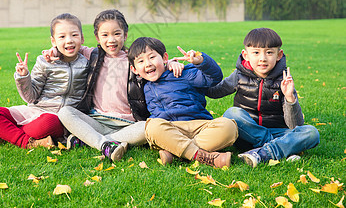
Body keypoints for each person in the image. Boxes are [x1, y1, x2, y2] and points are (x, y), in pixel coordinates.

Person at [44, 9, 183, 161]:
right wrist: (54, 52)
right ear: (97, 37)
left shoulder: (135, 59)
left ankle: (89, 140)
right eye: (105, 35)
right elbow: (69, 49)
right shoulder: (92, 54)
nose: (111, 40)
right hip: (97, 119)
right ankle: (104, 144)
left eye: (117, 34)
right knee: (65, 112)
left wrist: (169, 63)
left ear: (125, 35)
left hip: (128, 124)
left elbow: (153, 63)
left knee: (149, 127)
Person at [207, 28, 320, 167]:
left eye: (269, 52)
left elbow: (295, 125)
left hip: (278, 131)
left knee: (311, 132)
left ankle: (261, 153)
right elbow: (214, 92)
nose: (263, 58)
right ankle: (277, 149)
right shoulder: (238, 76)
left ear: (279, 55)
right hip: (247, 133)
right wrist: (199, 67)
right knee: (232, 113)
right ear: (246, 55)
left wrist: (290, 97)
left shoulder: (284, 81)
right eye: (256, 52)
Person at [0, 13, 89, 149]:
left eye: (74, 35)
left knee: (49, 123)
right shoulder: (44, 61)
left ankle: (6, 134)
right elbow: (31, 97)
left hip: (61, 118)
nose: (69, 40)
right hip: (36, 111)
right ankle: (29, 142)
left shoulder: (87, 62)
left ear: (82, 38)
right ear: (53, 41)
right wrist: (24, 76)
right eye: (62, 36)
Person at [128, 37, 238, 168]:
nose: (148, 64)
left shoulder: (183, 73)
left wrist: (200, 60)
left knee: (229, 126)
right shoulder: (142, 85)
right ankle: (203, 156)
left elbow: (214, 77)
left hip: (199, 126)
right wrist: (169, 63)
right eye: (141, 61)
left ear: (164, 58)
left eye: (152, 57)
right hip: (171, 129)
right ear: (135, 70)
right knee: (152, 126)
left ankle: (175, 153)